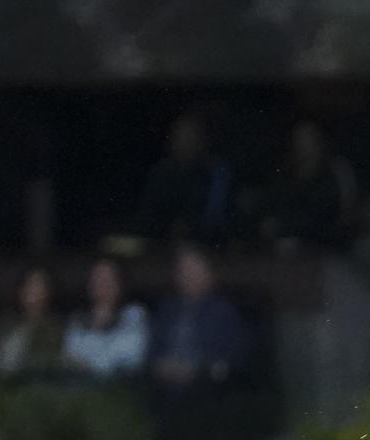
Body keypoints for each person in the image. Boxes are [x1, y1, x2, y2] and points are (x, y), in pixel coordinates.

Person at [149, 246, 248, 394]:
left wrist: (197, 370)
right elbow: (152, 350)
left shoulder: (225, 312)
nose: (187, 276)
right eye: (182, 270)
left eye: (193, 269)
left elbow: (234, 358)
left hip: (206, 389)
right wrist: (160, 366)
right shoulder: (167, 310)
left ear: (209, 273)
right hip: (163, 387)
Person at [260, 120, 358, 252]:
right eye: (298, 139)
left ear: (319, 141)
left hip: (328, 249)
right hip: (288, 251)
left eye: (308, 138)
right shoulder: (286, 176)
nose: (303, 145)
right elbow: (274, 213)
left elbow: (333, 216)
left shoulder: (335, 172)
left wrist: (286, 226)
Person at [138, 113, 233, 243]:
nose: (187, 142)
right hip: (164, 244)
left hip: (208, 244)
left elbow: (218, 216)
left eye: (193, 136)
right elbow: (149, 217)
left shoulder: (216, 172)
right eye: (182, 136)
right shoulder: (161, 173)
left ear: (203, 141)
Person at [63, 257, 150, 381]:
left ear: (120, 283)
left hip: (118, 387)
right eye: (97, 279)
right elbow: (70, 354)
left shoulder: (134, 315)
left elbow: (132, 357)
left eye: (108, 279)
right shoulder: (77, 319)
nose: (103, 284)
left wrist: (92, 367)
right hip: (78, 388)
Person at [0, 266, 63, 382]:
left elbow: (46, 362)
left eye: (39, 287)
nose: (34, 293)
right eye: (29, 286)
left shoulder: (54, 328)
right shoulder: (5, 323)